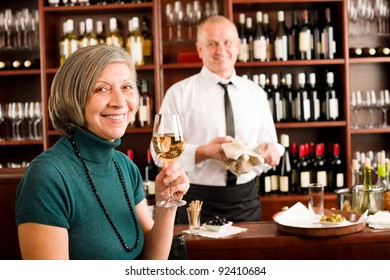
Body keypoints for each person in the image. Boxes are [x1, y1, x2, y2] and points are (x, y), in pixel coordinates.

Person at [15, 44, 189, 260]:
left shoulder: (124, 166)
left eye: (126, 87)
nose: (119, 102)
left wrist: (166, 203)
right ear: (74, 98)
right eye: (101, 89)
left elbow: (152, 262)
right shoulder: (47, 176)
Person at [152, 16, 283, 223]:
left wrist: (271, 152)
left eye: (227, 42)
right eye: (212, 44)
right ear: (200, 50)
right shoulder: (178, 93)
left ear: (238, 45)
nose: (220, 50)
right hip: (194, 202)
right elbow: (158, 155)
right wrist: (204, 152)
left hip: (246, 201)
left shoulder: (255, 93)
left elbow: (269, 145)